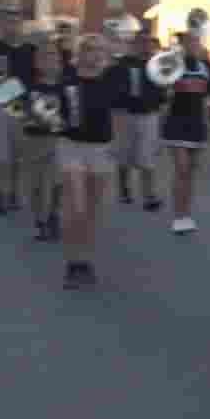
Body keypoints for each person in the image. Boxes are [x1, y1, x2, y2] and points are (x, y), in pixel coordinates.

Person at [56, 34, 126, 289]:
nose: (95, 55)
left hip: (101, 148)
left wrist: (118, 144)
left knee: (92, 210)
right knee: (77, 205)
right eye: (90, 50)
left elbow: (119, 112)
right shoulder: (66, 77)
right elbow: (40, 98)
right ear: (80, 52)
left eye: (100, 51)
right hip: (71, 146)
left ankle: (84, 261)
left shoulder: (111, 79)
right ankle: (72, 263)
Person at [160, 23, 210, 234]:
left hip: (197, 123)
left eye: (196, 41)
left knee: (190, 172)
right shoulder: (173, 64)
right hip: (176, 122)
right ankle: (179, 214)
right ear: (182, 45)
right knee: (181, 168)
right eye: (189, 42)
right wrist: (168, 91)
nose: (193, 45)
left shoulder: (206, 67)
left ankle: (186, 212)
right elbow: (161, 88)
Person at [109, 27, 165, 210]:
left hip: (149, 115)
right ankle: (124, 189)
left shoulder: (157, 65)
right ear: (135, 44)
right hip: (126, 115)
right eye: (142, 42)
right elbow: (112, 90)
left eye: (149, 42)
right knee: (124, 155)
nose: (146, 45)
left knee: (147, 157)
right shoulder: (122, 64)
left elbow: (164, 92)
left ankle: (149, 195)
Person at [21, 39, 64, 241]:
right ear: (37, 62)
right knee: (36, 184)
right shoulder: (28, 85)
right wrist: (25, 117)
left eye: (53, 55)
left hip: (58, 140)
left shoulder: (66, 85)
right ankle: (40, 221)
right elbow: (8, 100)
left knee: (58, 181)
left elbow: (73, 113)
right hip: (34, 140)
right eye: (44, 56)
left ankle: (54, 215)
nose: (49, 60)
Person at [0, 7, 34, 214]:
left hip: (23, 106)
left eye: (15, 22)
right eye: (7, 22)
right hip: (3, 105)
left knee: (19, 156)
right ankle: (3, 194)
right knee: (2, 155)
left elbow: (36, 78)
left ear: (21, 25)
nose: (12, 26)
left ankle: (13, 193)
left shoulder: (30, 50)